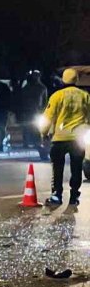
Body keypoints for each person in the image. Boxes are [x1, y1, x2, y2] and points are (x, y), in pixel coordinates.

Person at [43, 68, 90, 206]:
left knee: (57, 168)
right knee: (76, 168)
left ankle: (57, 194)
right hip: (78, 139)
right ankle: (74, 196)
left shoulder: (56, 96)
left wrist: (43, 133)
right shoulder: (85, 96)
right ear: (76, 79)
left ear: (63, 79)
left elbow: (48, 117)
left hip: (59, 139)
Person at [16, 70, 49, 148]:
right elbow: (21, 100)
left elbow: (45, 101)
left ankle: (35, 143)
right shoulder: (27, 87)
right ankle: (27, 142)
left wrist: (44, 111)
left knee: (36, 127)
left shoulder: (42, 88)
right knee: (27, 127)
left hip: (37, 111)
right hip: (28, 111)